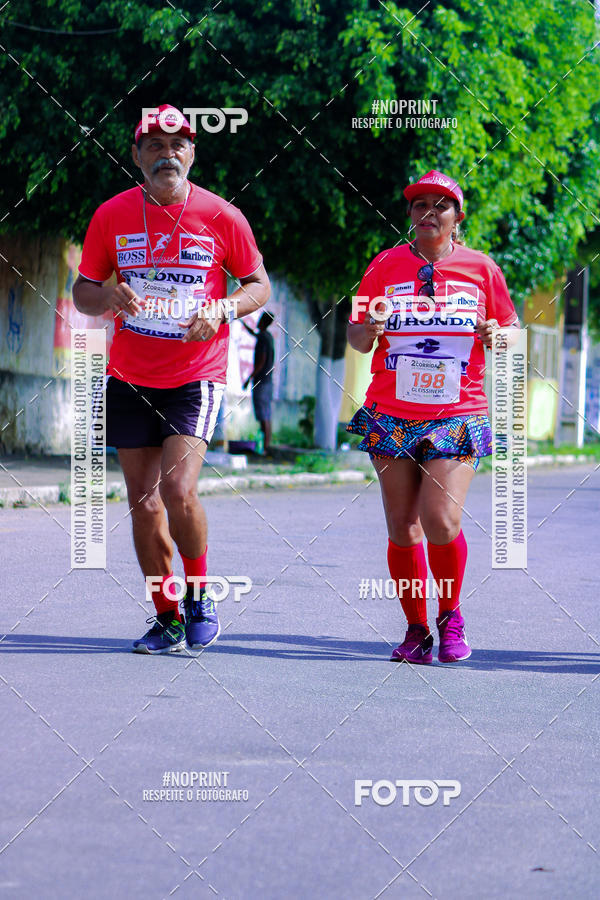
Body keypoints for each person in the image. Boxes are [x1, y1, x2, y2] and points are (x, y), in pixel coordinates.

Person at [73, 104, 270, 654]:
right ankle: (166, 616)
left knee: (179, 491)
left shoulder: (222, 215)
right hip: (130, 374)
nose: (167, 154)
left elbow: (258, 285)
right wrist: (108, 294)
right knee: (144, 501)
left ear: (192, 153)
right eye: (154, 145)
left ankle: (200, 596)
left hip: (195, 374)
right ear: (136, 156)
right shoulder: (111, 215)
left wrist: (225, 309)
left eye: (177, 144)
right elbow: (82, 290)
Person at [347, 170, 519, 664]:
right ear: (409, 215)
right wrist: (372, 326)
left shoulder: (481, 269)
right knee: (403, 527)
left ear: (457, 218)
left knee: (440, 519)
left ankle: (451, 616)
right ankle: (416, 628)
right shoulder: (384, 266)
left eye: (440, 206)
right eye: (419, 204)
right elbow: (357, 339)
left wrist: (496, 335)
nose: (429, 213)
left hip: (457, 412)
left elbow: (510, 333)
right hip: (391, 412)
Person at [242, 311, 275, 453]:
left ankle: (266, 447)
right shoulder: (267, 336)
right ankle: (266, 446)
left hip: (261, 381)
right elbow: (254, 333)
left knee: (263, 415)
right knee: (265, 413)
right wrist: (242, 323)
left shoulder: (263, 338)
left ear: (263, 321)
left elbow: (261, 361)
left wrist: (249, 378)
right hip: (267, 381)